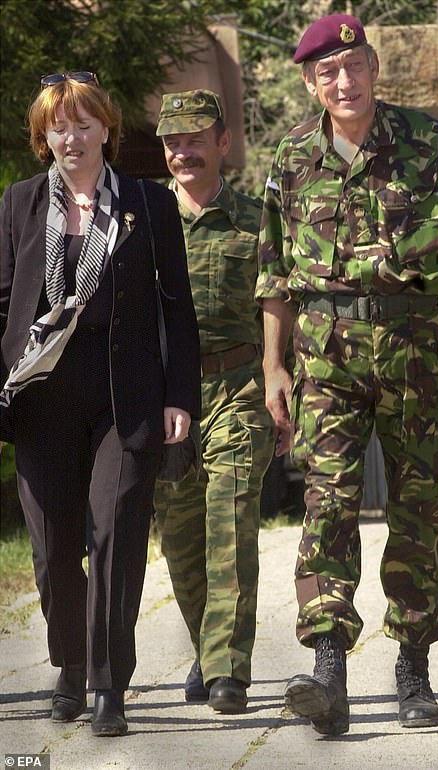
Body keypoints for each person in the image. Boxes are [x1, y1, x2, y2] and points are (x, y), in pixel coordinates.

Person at [255, 14, 438, 734]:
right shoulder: (292, 156)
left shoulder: (428, 141)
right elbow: (274, 272)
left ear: (374, 67)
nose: (344, 80)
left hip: (415, 348)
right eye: (328, 72)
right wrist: (273, 366)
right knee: (327, 505)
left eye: (355, 65)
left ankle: (414, 669)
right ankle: (329, 667)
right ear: (310, 82)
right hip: (325, 355)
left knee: (420, 510)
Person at [0, 72, 201, 736]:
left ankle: (109, 684)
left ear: (107, 130)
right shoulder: (19, 204)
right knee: (56, 548)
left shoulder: (150, 203)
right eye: (59, 125)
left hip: (127, 393)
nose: (72, 136)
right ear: (42, 137)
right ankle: (68, 666)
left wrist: (179, 397)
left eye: (85, 123)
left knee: (114, 533)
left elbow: (177, 308)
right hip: (42, 394)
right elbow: (3, 305)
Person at [153, 90, 274, 714]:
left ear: (224, 142)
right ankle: (208, 644)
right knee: (180, 538)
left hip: (239, 387)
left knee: (229, 522)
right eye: (173, 141)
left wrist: (283, 385)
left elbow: (282, 309)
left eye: (196, 137)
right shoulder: (141, 223)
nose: (184, 150)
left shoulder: (256, 219)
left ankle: (228, 668)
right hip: (166, 397)